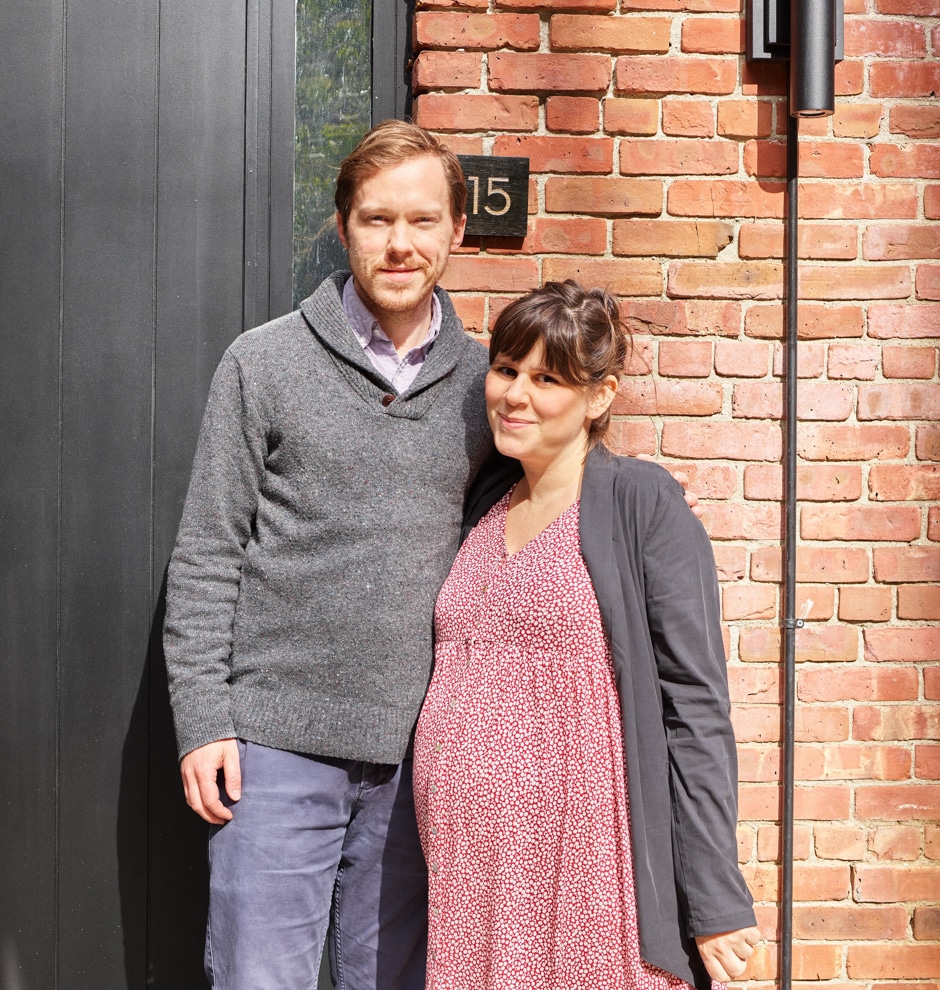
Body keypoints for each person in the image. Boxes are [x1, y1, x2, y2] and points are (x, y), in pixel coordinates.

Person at [165, 120, 701, 990]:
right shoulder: (261, 364)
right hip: (274, 748)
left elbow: (547, 512)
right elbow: (206, 554)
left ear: (457, 231)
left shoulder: (484, 383)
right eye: (377, 220)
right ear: (342, 229)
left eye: (422, 221)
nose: (400, 243)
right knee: (260, 977)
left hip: (422, 764)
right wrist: (205, 720)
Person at [413, 280, 759, 990]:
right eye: (507, 369)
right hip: (472, 880)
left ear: (600, 396)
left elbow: (694, 708)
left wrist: (715, 897)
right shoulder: (482, 505)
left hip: (586, 874)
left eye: (547, 379)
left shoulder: (640, 503)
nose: (515, 394)